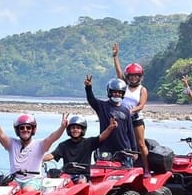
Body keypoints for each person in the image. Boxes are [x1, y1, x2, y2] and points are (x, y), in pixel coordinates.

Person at [0, 106, 67, 192]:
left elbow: (52, 137)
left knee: (27, 190)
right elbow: (0, 134)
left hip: (33, 180)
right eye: (22, 128)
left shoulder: (40, 144)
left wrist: (62, 127)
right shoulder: (11, 143)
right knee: (4, 189)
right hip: (15, 179)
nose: (25, 130)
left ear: (32, 129)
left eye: (28, 127)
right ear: (17, 130)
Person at [112, 42, 151, 177]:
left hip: (135, 119)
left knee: (140, 144)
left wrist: (131, 111)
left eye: (136, 76)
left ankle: (146, 169)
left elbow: (141, 105)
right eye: (131, 75)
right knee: (122, 143)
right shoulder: (124, 85)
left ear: (140, 77)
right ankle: (124, 166)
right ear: (128, 76)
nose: (133, 78)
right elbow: (118, 72)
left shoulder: (142, 89)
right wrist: (115, 57)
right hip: (122, 119)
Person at [43, 115, 117, 183]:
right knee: (51, 178)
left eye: (78, 128)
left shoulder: (88, 142)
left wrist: (110, 127)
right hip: (67, 174)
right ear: (69, 130)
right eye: (73, 128)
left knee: (81, 181)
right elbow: (52, 155)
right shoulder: (64, 145)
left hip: (83, 174)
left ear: (82, 130)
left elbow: (101, 137)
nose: (75, 130)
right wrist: (38, 159)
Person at [84, 74, 137, 167]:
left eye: (120, 92)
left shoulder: (126, 111)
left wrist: (134, 150)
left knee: (126, 175)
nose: (117, 94)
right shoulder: (102, 106)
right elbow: (91, 99)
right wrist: (88, 87)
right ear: (109, 92)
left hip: (124, 149)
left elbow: (130, 131)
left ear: (123, 93)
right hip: (106, 148)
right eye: (114, 92)